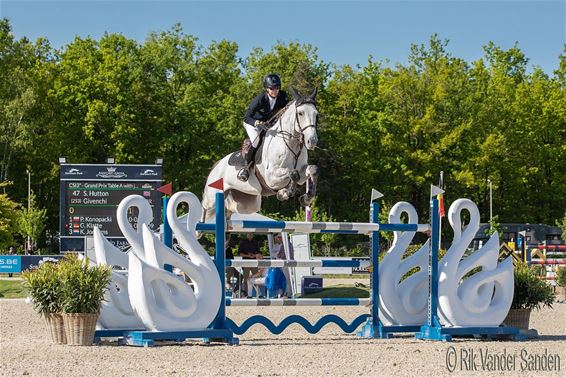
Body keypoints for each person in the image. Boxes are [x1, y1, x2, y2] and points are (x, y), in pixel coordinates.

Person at [238, 74, 289, 182]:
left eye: (277, 88)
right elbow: (246, 117)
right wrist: (257, 123)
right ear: (266, 88)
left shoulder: (282, 96)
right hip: (252, 123)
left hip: (267, 122)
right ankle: (246, 168)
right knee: (256, 141)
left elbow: (286, 109)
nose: (275, 91)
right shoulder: (260, 99)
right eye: (272, 88)